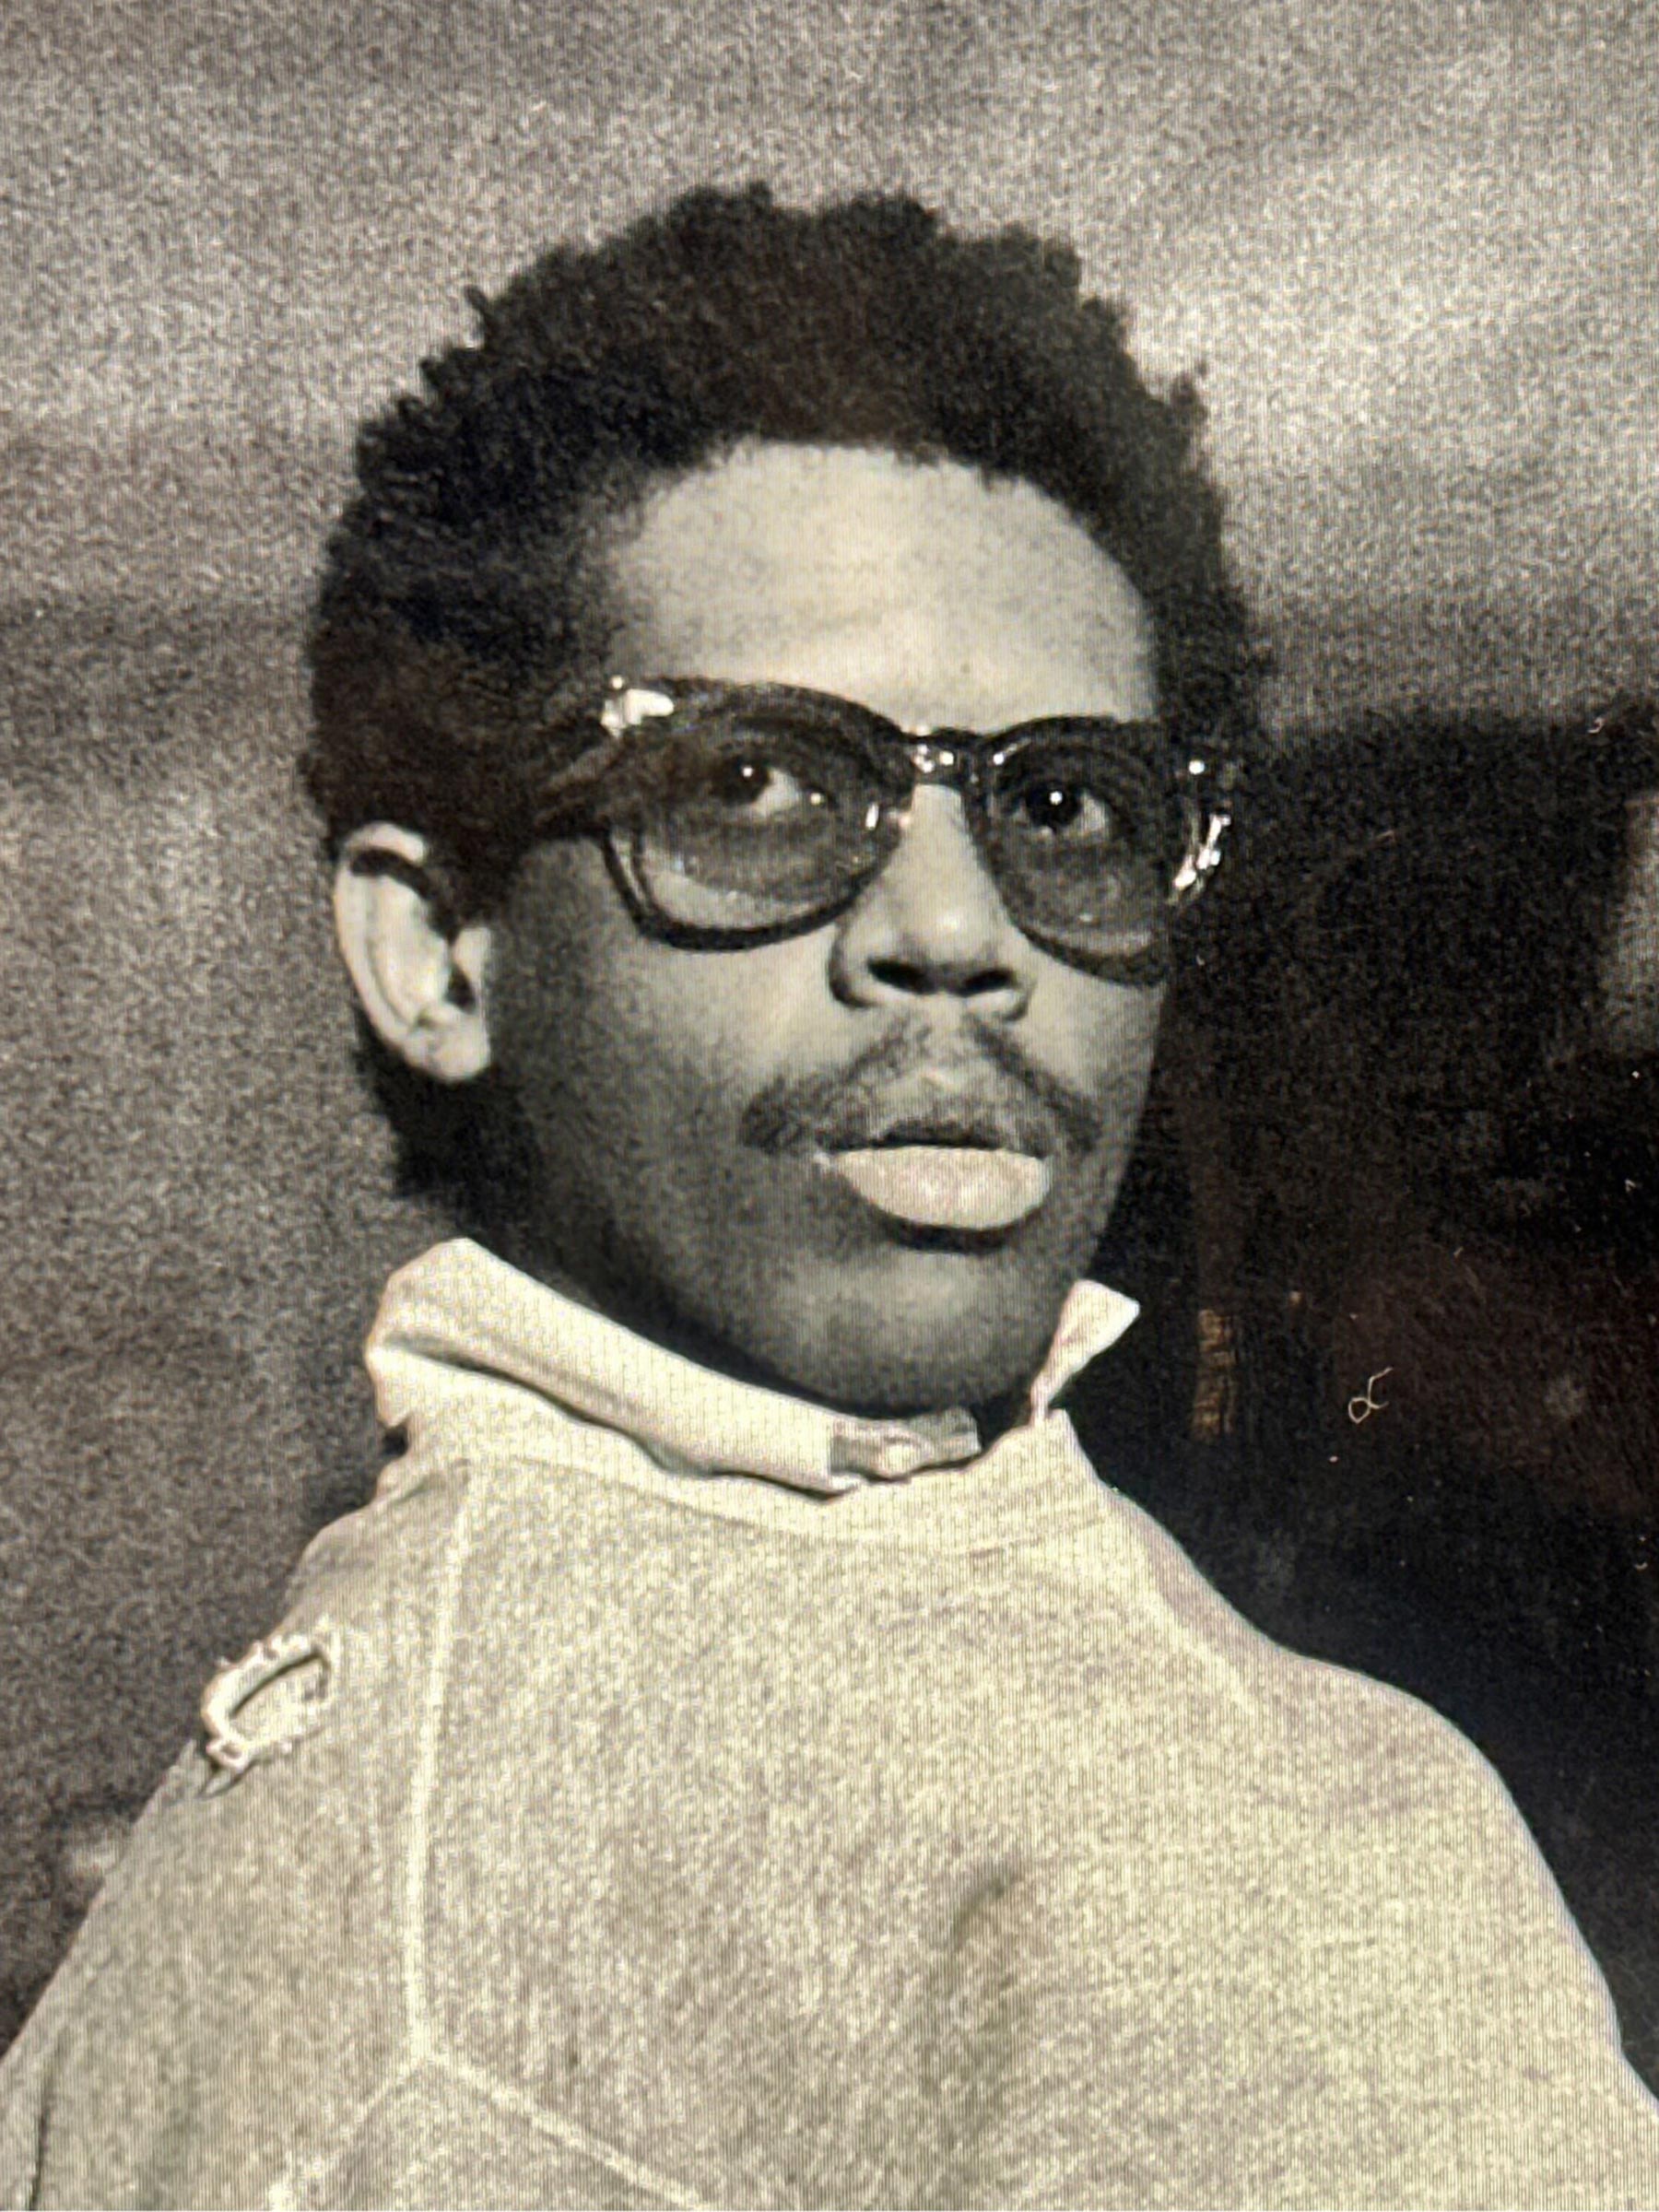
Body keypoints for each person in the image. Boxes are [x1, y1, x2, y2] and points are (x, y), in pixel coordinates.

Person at [2, 186, 1656, 2211]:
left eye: (1067, 806)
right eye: (759, 787)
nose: (955, 932)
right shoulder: (458, 1947)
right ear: (440, 954)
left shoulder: (989, 1598)